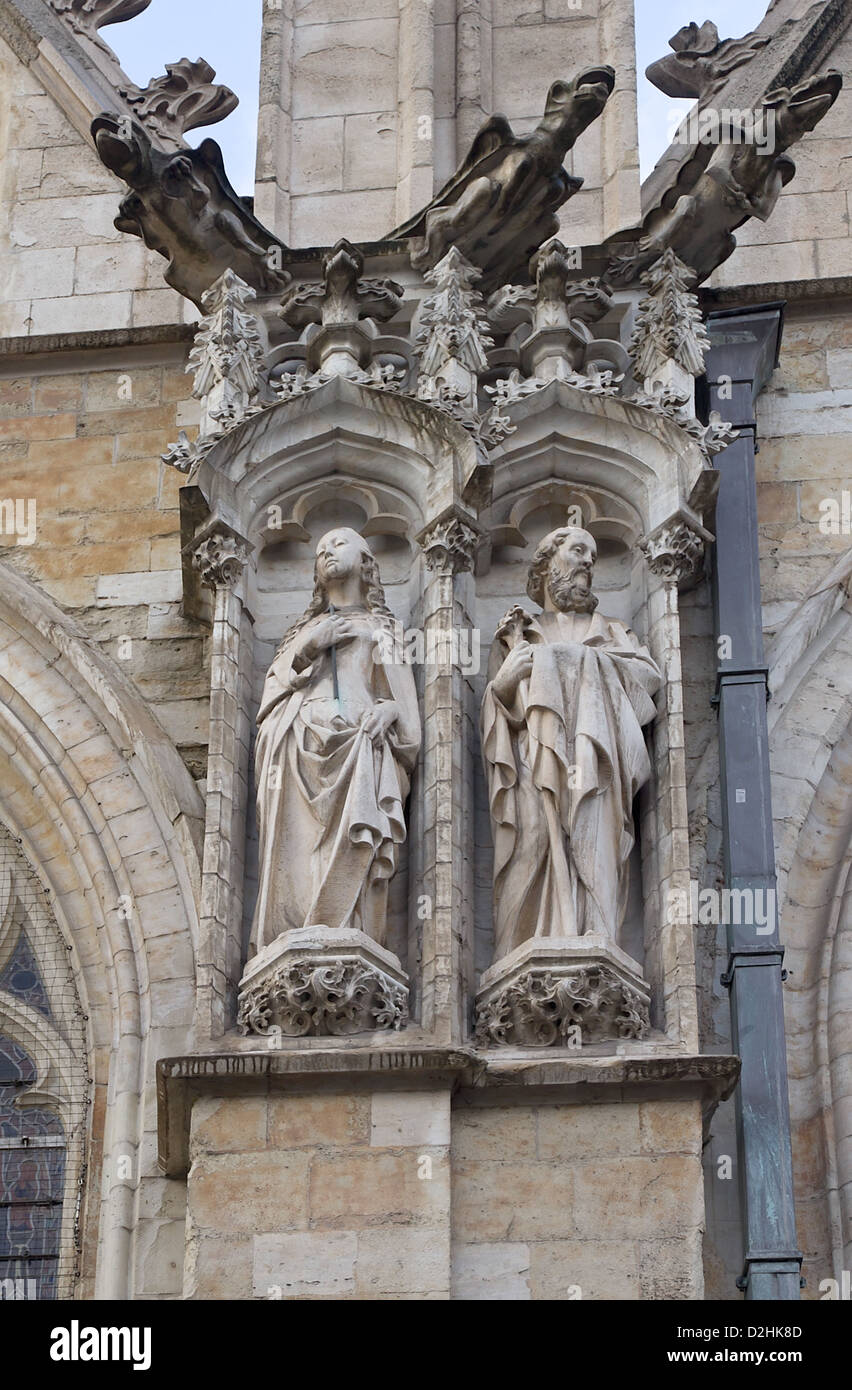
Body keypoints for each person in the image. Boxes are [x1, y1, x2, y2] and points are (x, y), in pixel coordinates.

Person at [481, 525, 661, 957]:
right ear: (546, 565)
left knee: (594, 845)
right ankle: (527, 945)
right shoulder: (517, 636)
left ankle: (593, 939)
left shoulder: (612, 631)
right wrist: (505, 681)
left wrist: (579, 660)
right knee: (532, 846)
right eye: (578, 551)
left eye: (593, 557)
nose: (586, 563)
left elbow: (648, 678)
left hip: (595, 762)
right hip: (532, 764)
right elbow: (499, 708)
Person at [249, 528, 420, 955]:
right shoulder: (300, 632)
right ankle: (297, 925)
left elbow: (406, 713)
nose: (326, 550)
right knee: (300, 843)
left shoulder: (382, 628)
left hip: (360, 744)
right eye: (320, 548)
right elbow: (274, 694)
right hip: (298, 746)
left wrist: (390, 711)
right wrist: (309, 647)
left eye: (339, 543)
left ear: (366, 563)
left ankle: (352, 929)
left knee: (356, 833)